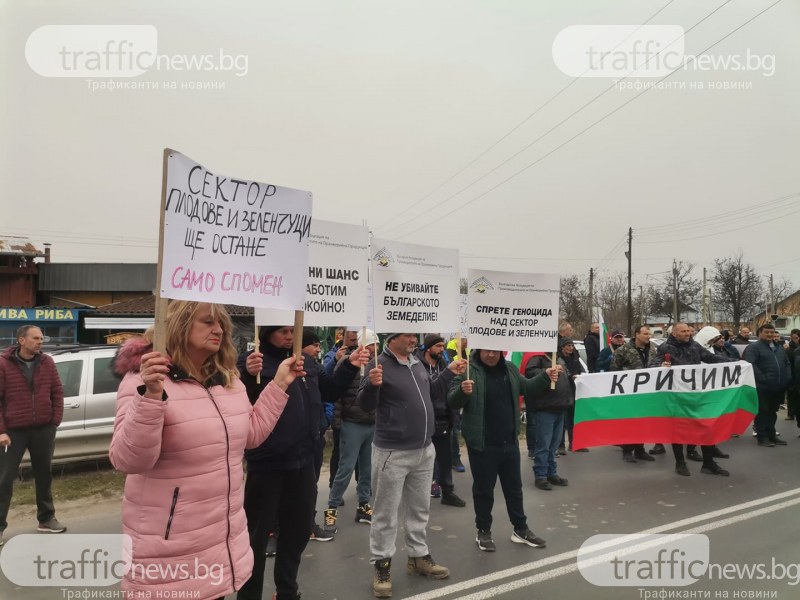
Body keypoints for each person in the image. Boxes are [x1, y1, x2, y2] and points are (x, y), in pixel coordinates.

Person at [109, 301, 299, 600]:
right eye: (208, 322)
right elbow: (128, 460)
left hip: (220, 540)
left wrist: (278, 385)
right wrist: (151, 397)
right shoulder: (143, 380)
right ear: (180, 325)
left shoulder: (227, 378)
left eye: (221, 324)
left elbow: (251, 435)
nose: (219, 329)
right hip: (170, 548)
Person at [237, 325, 366, 600]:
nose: (289, 336)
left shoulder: (306, 361)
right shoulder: (254, 361)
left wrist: (350, 366)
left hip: (305, 460)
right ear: (267, 331)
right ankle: (249, 595)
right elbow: (242, 401)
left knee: (295, 534)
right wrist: (247, 374)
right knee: (255, 539)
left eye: (293, 330)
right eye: (282, 331)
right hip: (267, 464)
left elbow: (329, 391)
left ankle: (287, 590)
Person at [357, 333, 466, 599]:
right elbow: (364, 405)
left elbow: (432, 393)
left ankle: (418, 556)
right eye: (406, 336)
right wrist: (371, 386)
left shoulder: (416, 362)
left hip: (424, 450)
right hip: (392, 452)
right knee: (385, 513)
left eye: (413, 335)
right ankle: (381, 565)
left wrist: (449, 373)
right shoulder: (377, 363)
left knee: (420, 509)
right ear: (392, 338)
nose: (412, 340)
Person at [448, 348, 556, 552]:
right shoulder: (468, 372)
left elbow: (528, 387)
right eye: (487, 351)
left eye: (495, 352)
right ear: (478, 351)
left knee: (514, 489)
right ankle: (483, 531)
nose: (491, 355)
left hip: (509, 442)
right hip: (482, 444)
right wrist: (463, 390)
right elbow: (452, 400)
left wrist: (545, 376)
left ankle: (520, 529)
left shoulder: (510, 369)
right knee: (483, 491)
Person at [0, 325, 65, 546]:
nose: (40, 342)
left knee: (44, 475)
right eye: (35, 338)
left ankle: (46, 520)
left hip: (43, 430)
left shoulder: (47, 362)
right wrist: (1, 430)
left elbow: (57, 392)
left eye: (41, 338)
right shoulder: (3, 364)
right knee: (4, 480)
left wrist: (54, 422)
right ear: (21, 340)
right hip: (12, 433)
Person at [650, 322, 736, 477]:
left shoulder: (694, 346)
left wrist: (735, 362)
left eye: (688, 331)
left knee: (706, 426)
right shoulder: (665, 348)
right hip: (677, 395)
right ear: (674, 333)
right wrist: (661, 365)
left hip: (696, 393)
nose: (687, 334)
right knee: (678, 430)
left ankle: (708, 463)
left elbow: (710, 358)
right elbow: (654, 365)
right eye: (683, 331)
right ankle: (680, 463)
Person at [325, 328, 379, 531]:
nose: (375, 349)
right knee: (345, 468)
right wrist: (337, 424)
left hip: (371, 423)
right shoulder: (347, 362)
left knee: (367, 468)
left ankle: (364, 506)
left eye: (377, 346)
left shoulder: (378, 364)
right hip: (352, 423)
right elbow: (337, 395)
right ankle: (331, 508)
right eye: (372, 345)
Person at [417, 334, 466, 508]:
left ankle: (448, 492)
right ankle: (422, 492)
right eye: (438, 346)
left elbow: (451, 388)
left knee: (445, 458)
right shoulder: (418, 366)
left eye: (443, 346)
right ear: (428, 348)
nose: (441, 349)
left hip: (443, 417)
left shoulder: (444, 365)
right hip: (424, 420)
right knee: (422, 459)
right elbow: (428, 390)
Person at [525, 338, 577, 489]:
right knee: (544, 444)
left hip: (559, 407)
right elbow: (530, 374)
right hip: (545, 407)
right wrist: (547, 372)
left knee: (553, 444)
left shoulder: (558, 357)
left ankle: (551, 473)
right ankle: (540, 476)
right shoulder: (538, 358)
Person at [610, 325, 658, 463]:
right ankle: (627, 450)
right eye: (645, 333)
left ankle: (640, 450)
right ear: (637, 334)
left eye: (650, 334)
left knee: (642, 422)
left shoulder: (652, 350)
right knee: (629, 423)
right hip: (628, 393)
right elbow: (613, 371)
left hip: (646, 393)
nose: (648, 336)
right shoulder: (623, 351)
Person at [744, 323, 792, 448]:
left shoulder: (779, 348)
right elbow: (750, 364)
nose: (770, 334)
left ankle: (771, 435)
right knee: (762, 412)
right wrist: (763, 379)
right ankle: (762, 437)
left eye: (772, 332)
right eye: (767, 332)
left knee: (772, 411)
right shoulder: (753, 348)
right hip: (762, 387)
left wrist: (788, 377)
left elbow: (787, 363)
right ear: (760, 333)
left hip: (778, 386)